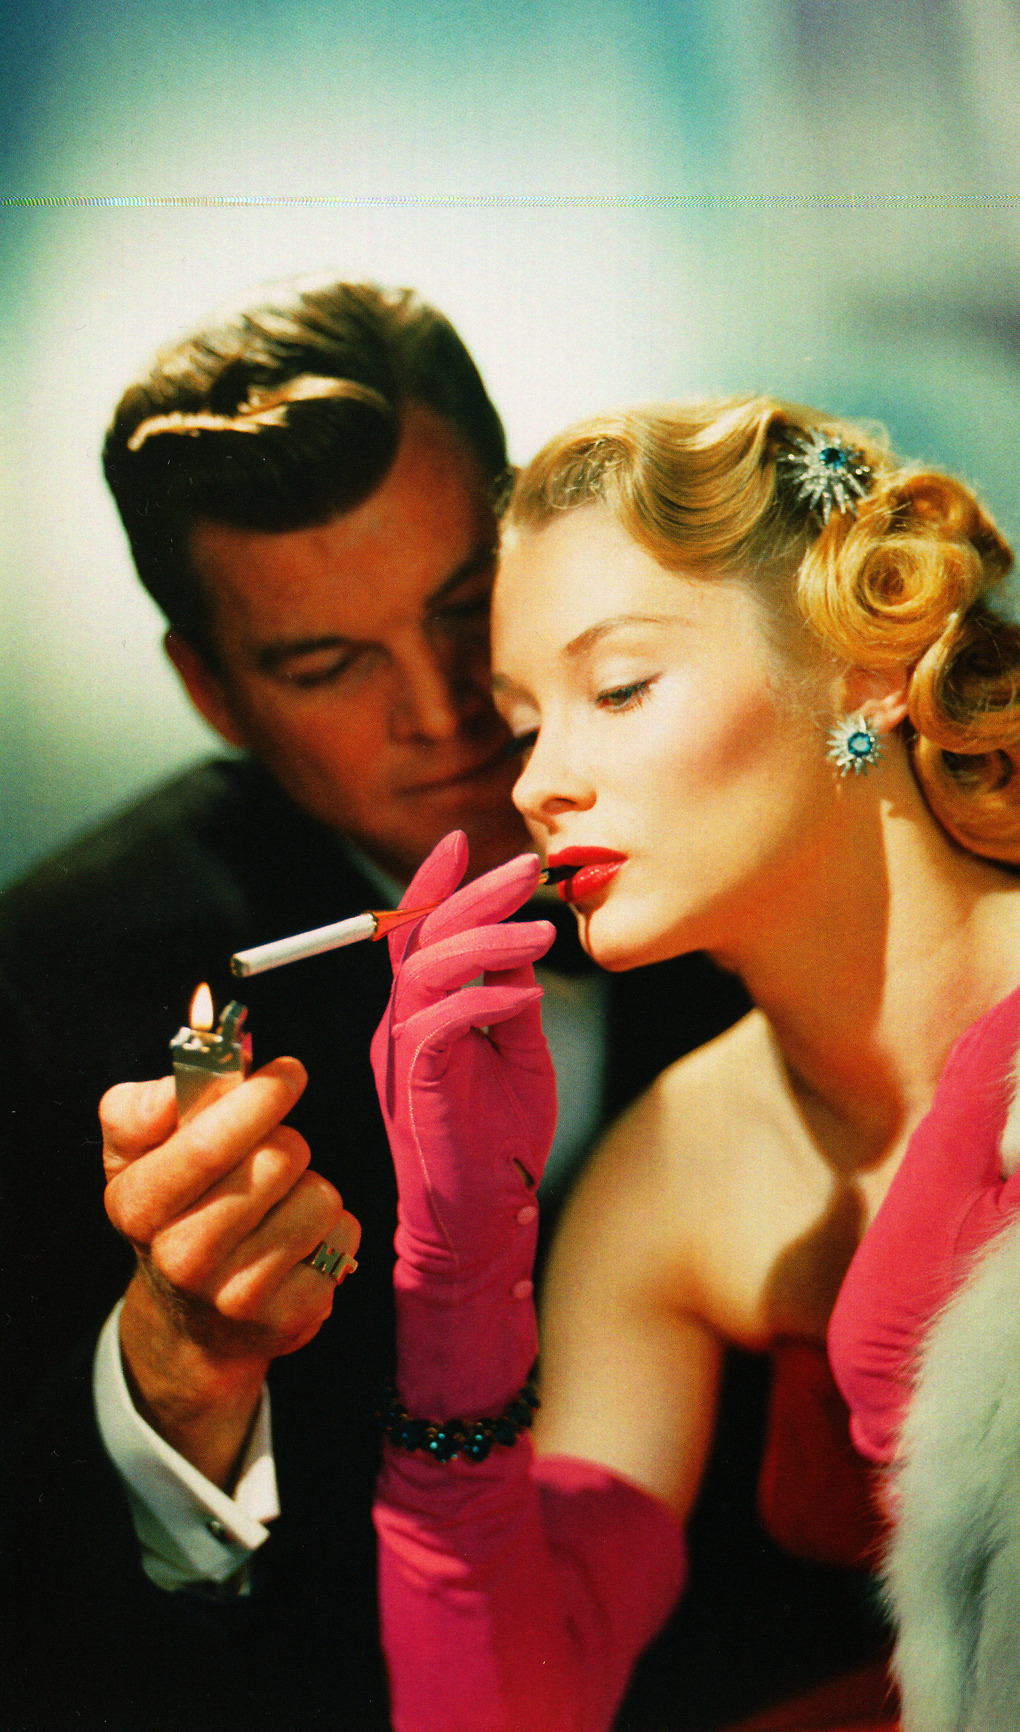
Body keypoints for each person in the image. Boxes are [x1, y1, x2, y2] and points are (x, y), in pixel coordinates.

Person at [359, 393, 1020, 1732]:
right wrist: (457, 1287)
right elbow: (506, 1712)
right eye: (524, 721)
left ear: (865, 669)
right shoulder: (671, 1168)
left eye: (619, 687)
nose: (540, 782)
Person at [0, 290, 751, 1731]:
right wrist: (178, 1372)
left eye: (465, 609)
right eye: (326, 664)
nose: (444, 707)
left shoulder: (750, 800)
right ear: (212, 692)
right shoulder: (51, 986)